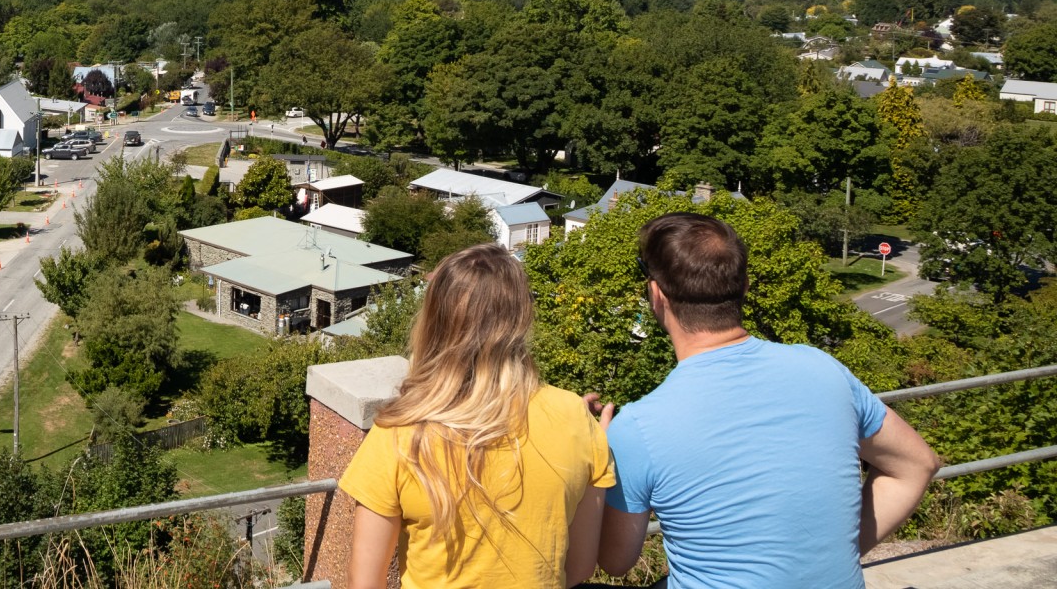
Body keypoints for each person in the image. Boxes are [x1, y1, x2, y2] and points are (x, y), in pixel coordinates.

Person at [594, 212, 941, 587]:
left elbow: (615, 562)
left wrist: (598, 456)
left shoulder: (638, 427)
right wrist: (833, 555)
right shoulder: (824, 369)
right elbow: (917, 464)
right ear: (744, 285)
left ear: (657, 295)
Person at [342, 244, 615, 588]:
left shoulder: (399, 432)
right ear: (522, 319)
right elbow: (578, 569)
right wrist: (596, 440)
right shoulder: (576, 417)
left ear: (435, 322)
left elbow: (363, 582)